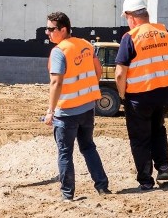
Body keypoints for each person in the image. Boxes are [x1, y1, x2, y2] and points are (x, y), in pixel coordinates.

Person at [114, 0, 168, 191]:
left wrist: (122, 95)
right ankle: (163, 168)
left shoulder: (130, 38)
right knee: (158, 130)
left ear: (131, 17)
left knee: (140, 138)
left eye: (126, 19)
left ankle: (146, 180)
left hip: (138, 98)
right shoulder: (164, 33)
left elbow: (120, 74)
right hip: (163, 95)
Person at [43, 12, 110, 201]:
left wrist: (50, 111)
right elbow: (98, 71)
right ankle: (102, 186)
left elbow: (55, 83)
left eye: (50, 29)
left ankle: (67, 194)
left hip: (67, 112)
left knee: (65, 153)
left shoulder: (59, 51)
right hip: (88, 107)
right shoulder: (86, 45)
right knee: (88, 147)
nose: (47, 33)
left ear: (63, 30)